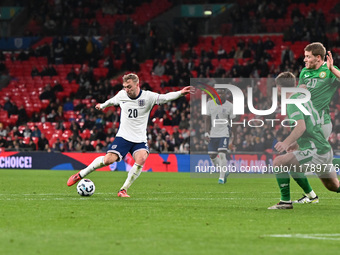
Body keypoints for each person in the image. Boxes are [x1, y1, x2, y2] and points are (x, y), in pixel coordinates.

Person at [67, 73, 193, 197]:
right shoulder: (122, 95)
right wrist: (103, 105)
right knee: (107, 160)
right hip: (123, 136)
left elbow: (165, 97)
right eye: (125, 87)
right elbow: (112, 101)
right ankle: (81, 174)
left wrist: (180, 93)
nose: (127, 89)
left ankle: (123, 190)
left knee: (142, 158)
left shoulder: (148, 97)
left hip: (139, 139)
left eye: (129, 87)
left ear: (137, 84)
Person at [268, 71, 340, 210]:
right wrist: (297, 143)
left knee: (279, 162)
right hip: (323, 148)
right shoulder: (302, 97)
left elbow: (301, 127)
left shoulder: (292, 102)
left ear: (279, 88)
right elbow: (312, 124)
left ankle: (285, 202)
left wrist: (286, 143)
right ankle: (310, 195)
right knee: (333, 186)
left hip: (316, 151)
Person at [290, 42, 340, 204]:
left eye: (308, 57)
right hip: (307, 123)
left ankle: (311, 197)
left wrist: (333, 70)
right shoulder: (305, 71)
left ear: (318, 58)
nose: (304, 60)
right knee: (332, 185)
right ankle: (312, 196)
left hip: (320, 124)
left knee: (291, 163)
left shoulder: (330, 71)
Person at [204, 86, 235, 184]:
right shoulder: (209, 104)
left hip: (224, 132)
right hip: (213, 133)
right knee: (212, 155)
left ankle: (221, 178)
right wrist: (206, 132)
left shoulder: (230, 106)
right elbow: (207, 119)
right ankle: (224, 172)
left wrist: (233, 135)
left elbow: (232, 120)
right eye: (218, 93)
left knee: (222, 154)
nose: (220, 95)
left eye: (222, 93)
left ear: (225, 94)